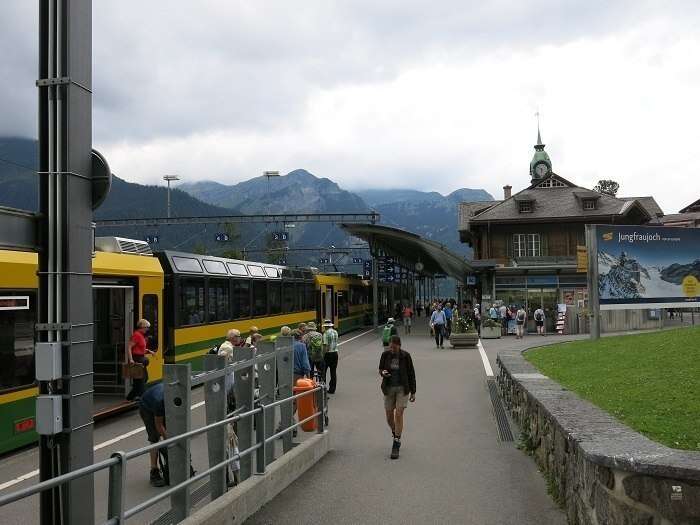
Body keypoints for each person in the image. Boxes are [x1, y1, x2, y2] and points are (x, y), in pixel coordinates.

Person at [379, 335, 416, 460]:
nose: (392, 349)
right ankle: (395, 432)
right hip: (388, 388)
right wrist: (383, 372)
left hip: (402, 388)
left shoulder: (406, 356)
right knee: (389, 417)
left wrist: (413, 392)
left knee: (399, 413)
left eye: (394, 347)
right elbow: (380, 369)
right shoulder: (385, 355)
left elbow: (411, 373)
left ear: (399, 345)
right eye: (391, 347)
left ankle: (396, 441)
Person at [139, 383, 167, 487]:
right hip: (147, 408)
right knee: (154, 437)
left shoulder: (179, 395)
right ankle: (154, 470)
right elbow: (159, 426)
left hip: (164, 406)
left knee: (173, 431)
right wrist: (169, 440)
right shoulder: (159, 401)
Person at [126, 319, 154, 401]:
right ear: (141, 327)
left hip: (140, 358)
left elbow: (140, 347)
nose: (147, 329)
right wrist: (131, 359)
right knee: (140, 380)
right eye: (146, 327)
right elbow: (129, 347)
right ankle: (143, 398)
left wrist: (148, 351)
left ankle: (130, 397)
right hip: (136, 359)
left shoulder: (141, 335)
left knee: (143, 379)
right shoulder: (136, 335)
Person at [321, 319, 339, 393]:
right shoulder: (335, 332)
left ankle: (323, 389)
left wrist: (323, 355)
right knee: (333, 371)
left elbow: (326, 346)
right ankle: (332, 389)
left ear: (325, 326)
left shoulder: (325, 333)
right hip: (335, 353)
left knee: (323, 371)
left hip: (328, 354)